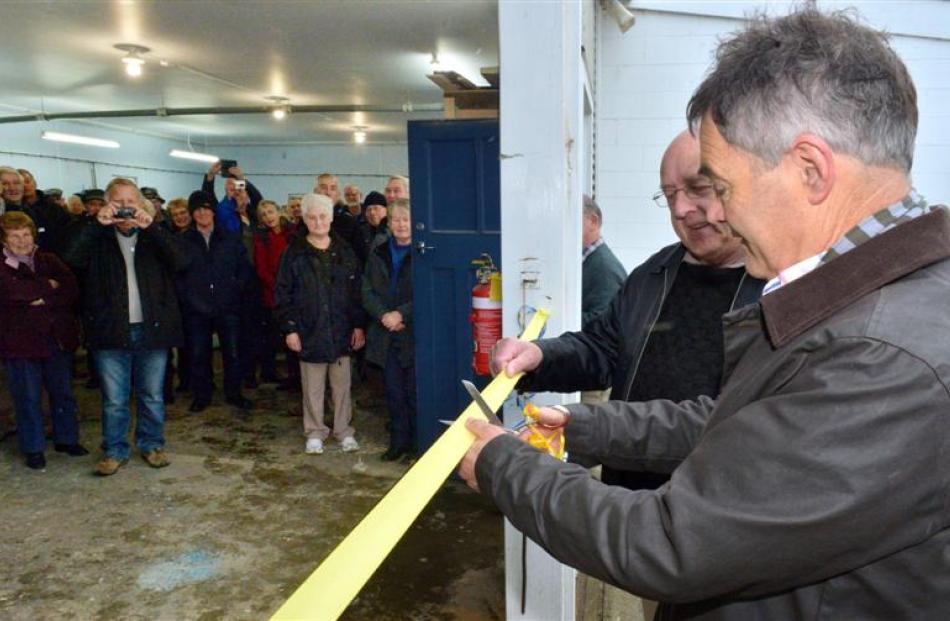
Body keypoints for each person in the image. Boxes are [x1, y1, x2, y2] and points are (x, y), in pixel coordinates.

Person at [461, 9, 950, 619]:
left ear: (810, 170)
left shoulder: (884, 354)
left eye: (722, 186)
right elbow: (735, 427)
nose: (718, 214)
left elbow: (669, 544)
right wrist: (582, 428)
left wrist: (505, 465)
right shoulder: (860, 304)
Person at [493, 131, 763, 491]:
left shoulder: (779, 289)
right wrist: (540, 356)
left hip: (714, 499)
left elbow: (734, 420)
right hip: (627, 490)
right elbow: (602, 349)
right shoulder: (655, 274)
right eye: (669, 196)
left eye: (697, 188)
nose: (681, 209)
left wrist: (583, 426)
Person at [63, 178, 188, 476]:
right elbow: (71, 260)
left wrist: (153, 227)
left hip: (152, 329)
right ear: (108, 204)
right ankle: (115, 450)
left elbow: (182, 261)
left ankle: (151, 444)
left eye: (130, 201)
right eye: (118, 202)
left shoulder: (153, 236)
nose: (125, 208)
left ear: (141, 204)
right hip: (111, 330)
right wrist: (96, 224)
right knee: (115, 399)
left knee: (152, 395)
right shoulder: (97, 238)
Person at [275, 193, 366, 454]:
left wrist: (358, 324)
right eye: (312, 217)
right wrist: (290, 328)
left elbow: (356, 292)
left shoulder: (345, 251)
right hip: (308, 330)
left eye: (323, 216)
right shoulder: (294, 253)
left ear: (331, 217)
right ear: (304, 219)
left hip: (341, 329)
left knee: (342, 386)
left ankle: (343, 431)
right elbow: (283, 293)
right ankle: (314, 432)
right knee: (312, 386)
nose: (318, 221)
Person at [0, 212, 87, 469]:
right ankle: (33, 448)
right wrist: (48, 286)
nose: (22, 240)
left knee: (63, 393)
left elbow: (71, 288)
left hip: (55, 339)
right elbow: (11, 294)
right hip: (19, 344)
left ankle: (67, 439)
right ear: (4, 239)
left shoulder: (48, 259)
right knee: (27, 397)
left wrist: (40, 300)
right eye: (15, 236)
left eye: (26, 234)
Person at [178, 191, 254, 412]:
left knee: (232, 352)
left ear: (213, 211)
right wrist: (189, 299)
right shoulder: (183, 241)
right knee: (199, 354)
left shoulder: (230, 238)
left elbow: (244, 269)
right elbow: (178, 275)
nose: (202, 213)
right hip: (196, 308)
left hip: (227, 306)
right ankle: (202, 395)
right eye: (197, 209)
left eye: (206, 208)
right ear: (193, 214)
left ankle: (234, 393)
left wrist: (234, 292)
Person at [362, 198, 415, 461]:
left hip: (411, 331)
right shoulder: (379, 251)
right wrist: (384, 315)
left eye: (406, 219)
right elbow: (366, 289)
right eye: (396, 220)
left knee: (414, 391)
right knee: (393, 391)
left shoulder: (423, 251)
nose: (401, 224)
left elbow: (427, 293)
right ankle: (398, 442)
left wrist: (401, 313)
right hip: (385, 331)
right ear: (389, 223)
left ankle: (418, 443)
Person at [253, 199, 296, 385]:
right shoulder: (261, 238)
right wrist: (278, 288)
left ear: (279, 212)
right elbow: (262, 269)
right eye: (263, 214)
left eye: (270, 212)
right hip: (272, 294)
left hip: (294, 292)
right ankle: (269, 373)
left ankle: (295, 376)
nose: (268, 217)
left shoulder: (292, 233)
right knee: (272, 336)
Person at [0, 166, 71, 255]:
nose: (12, 187)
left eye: (17, 183)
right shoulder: (2, 213)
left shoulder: (35, 210)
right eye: (5, 183)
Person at [580, 195, 626, 330]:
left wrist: (560, 316)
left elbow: (603, 323)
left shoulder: (604, 269)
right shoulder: (591, 260)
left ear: (593, 221)